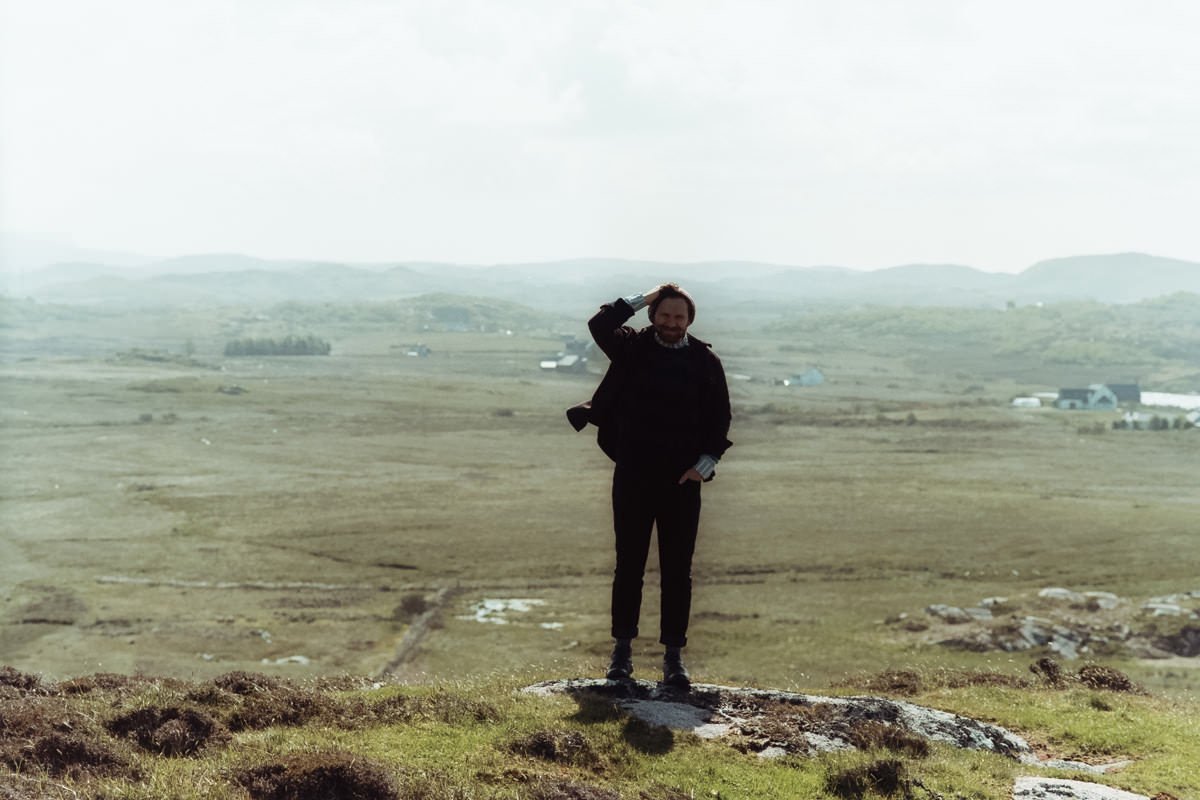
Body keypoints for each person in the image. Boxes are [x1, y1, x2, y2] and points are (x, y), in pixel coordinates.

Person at [567, 283, 732, 687]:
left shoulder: (704, 361)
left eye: (679, 317)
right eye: (664, 314)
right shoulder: (631, 348)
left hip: (681, 483)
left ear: (689, 321)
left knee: (678, 571)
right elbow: (600, 322)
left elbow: (719, 417)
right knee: (629, 566)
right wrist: (651, 293)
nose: (671, 323)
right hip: (633, 476)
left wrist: (705, 465)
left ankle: (673, 659)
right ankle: (621, 654)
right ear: (653, 316)